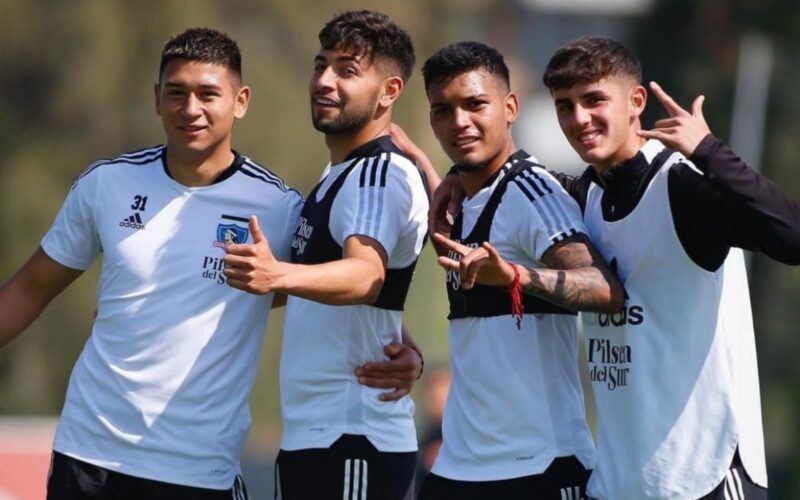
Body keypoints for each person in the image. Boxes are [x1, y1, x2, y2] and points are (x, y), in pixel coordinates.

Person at [0, 27, 419, 500]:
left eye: (208, 94)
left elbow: (330, 281)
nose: (190, 109)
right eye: (176, 93)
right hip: (90, 458)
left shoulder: (278, 208)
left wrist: (403, 346)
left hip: (201, 470)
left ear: (240, 101)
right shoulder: (107, 184)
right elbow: (30, 288)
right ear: (157, 99)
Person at [432, 36, 800, 499]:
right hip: (618, 483)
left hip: (703, 476)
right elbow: (510, 172)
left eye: (594, 100)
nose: (579, 119)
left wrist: (708, 150)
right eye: (565, 106)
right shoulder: (585, 196)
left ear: (636, 102)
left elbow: (792, 236)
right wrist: (454, 176)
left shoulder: (680, 187)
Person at [222, 10, 430, 500]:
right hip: (318, 438)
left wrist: (275, 274)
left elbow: (366, 277)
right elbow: (370, 298)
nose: (324, 81)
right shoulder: (340, 174)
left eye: (347, 70)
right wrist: (406, 344)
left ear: (390, 91)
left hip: (352, 439)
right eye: (321, 65)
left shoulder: (378, 173)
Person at [407, 41, 624, 500]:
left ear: (509, 108)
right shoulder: (459, 200)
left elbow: (604, 289)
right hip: (459, 466)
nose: (459, 121)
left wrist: (516, 277)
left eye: (475, 104)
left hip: (538, 467)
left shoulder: (532, 192)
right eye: (442, 110)